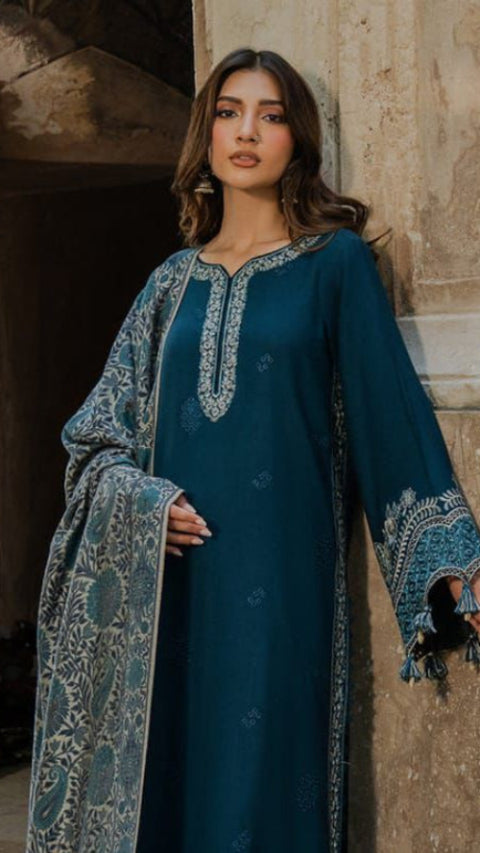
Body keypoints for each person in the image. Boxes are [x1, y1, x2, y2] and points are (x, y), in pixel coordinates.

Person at [26, 47, 480, 853]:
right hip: (170, 587)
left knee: (264, 781)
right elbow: (95, 435)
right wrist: (141, 504)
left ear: (297, 143)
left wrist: (449, 563)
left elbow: (389, 414)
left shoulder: (333, 263)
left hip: (282, 583)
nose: (248, 132)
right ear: (205, 137)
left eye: (271, 116)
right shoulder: (169, 285)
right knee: (174, 775)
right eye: (230, 112)